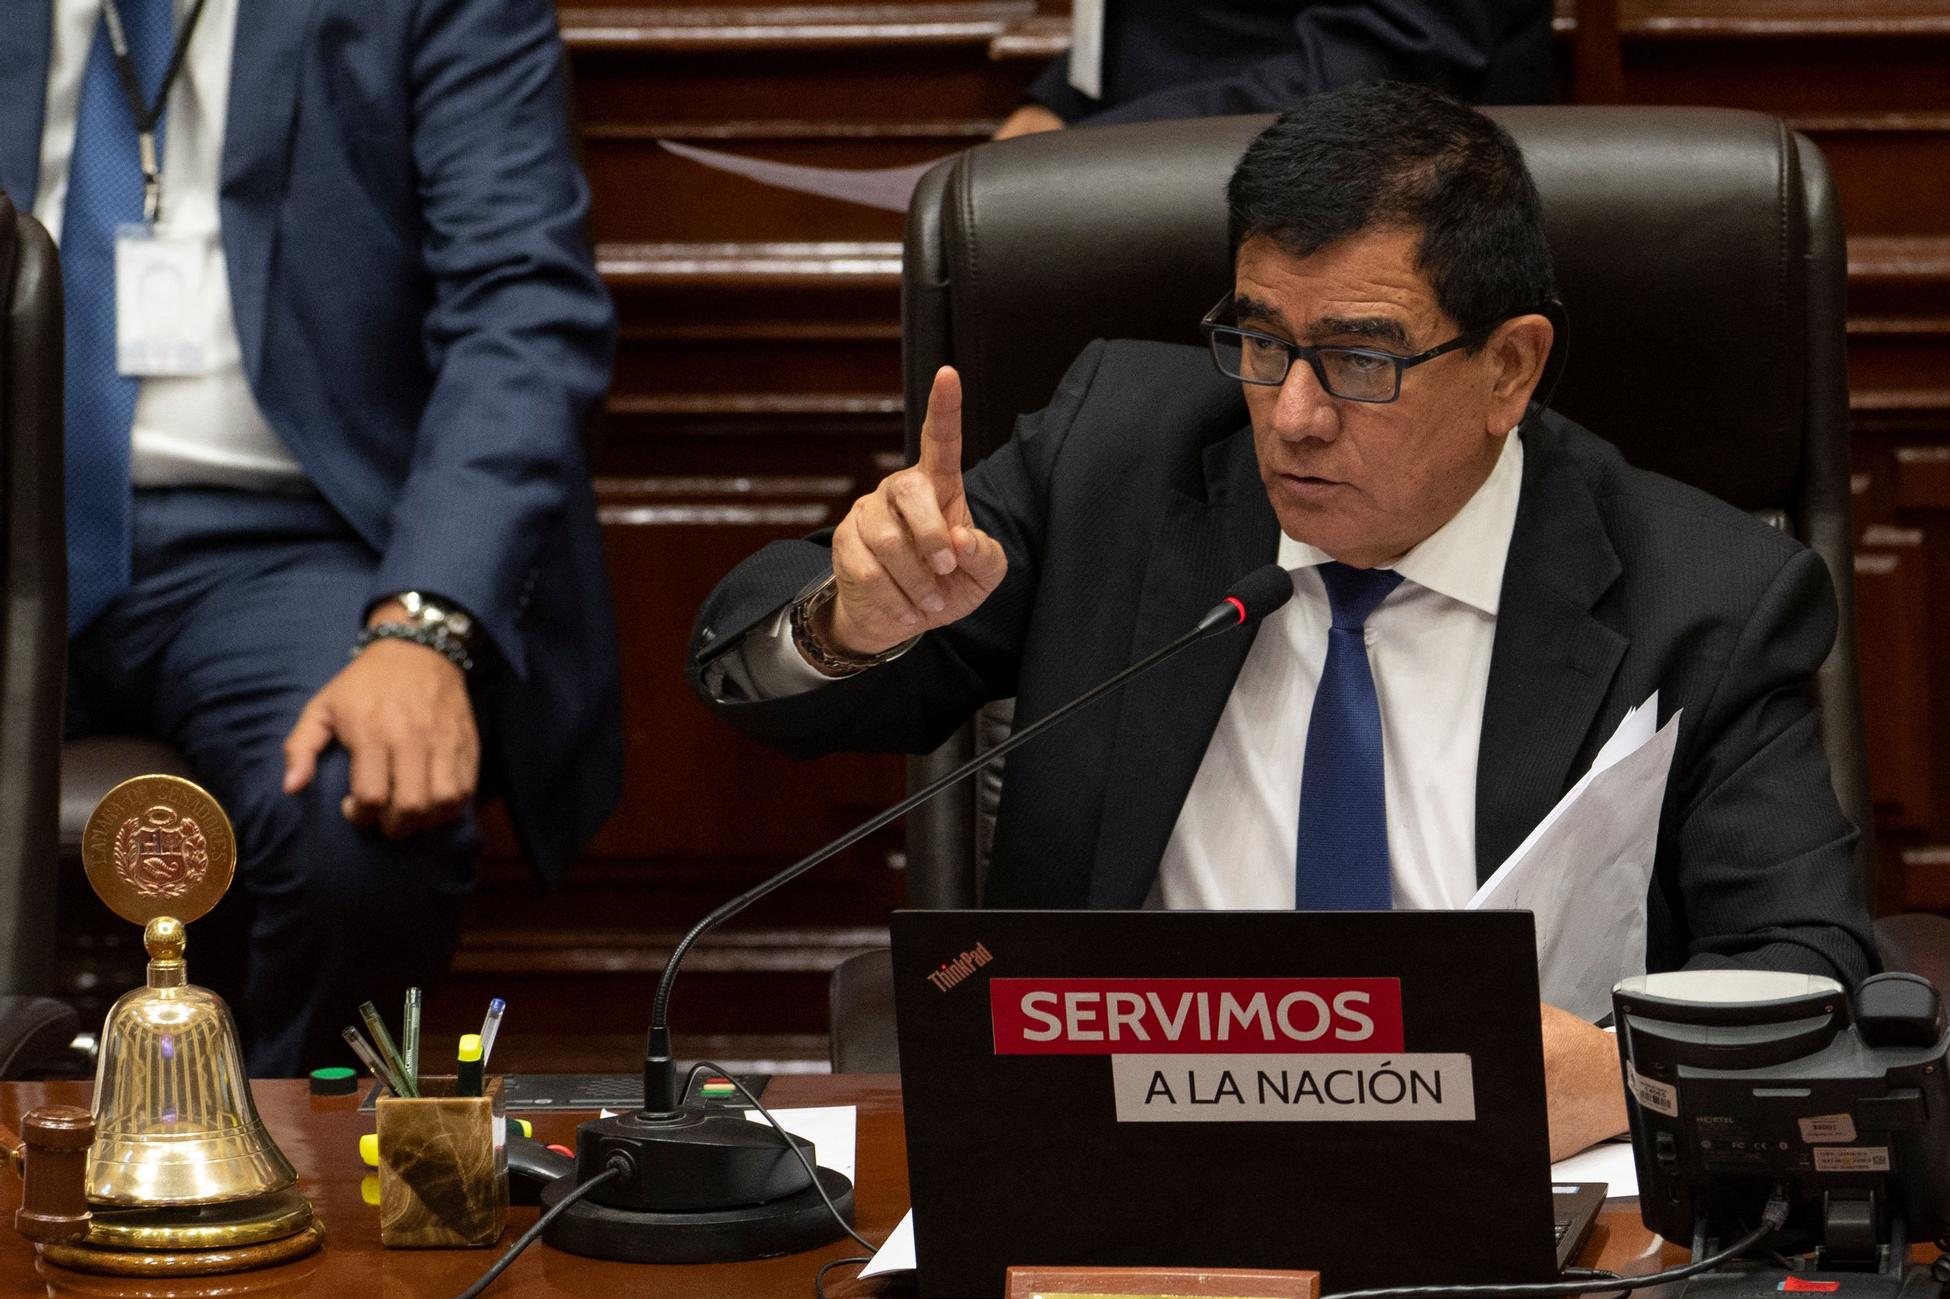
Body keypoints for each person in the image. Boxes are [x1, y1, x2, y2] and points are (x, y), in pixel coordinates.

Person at [688, 82, 1875, 1160]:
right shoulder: (1112, 462)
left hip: (1513, 1202)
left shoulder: (1705, 595)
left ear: (1509, 370)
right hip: (1114, 1162)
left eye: (1360, 359)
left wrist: (1620, 1075)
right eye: (1259, 344)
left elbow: (1807, 971)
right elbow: (752, 666)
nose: (1293, 417)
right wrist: (849, 619)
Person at [2, 0, 621, 1074]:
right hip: (12, 521)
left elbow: (520, 306)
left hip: (282, 540)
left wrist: (424, 623)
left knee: (360, 815)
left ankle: (291, 1184)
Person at [997, 0, 1554, 139]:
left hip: (1357, 230)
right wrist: (1061, 100)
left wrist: (1089, 150)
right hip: (1151, 189)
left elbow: (1388, 59)